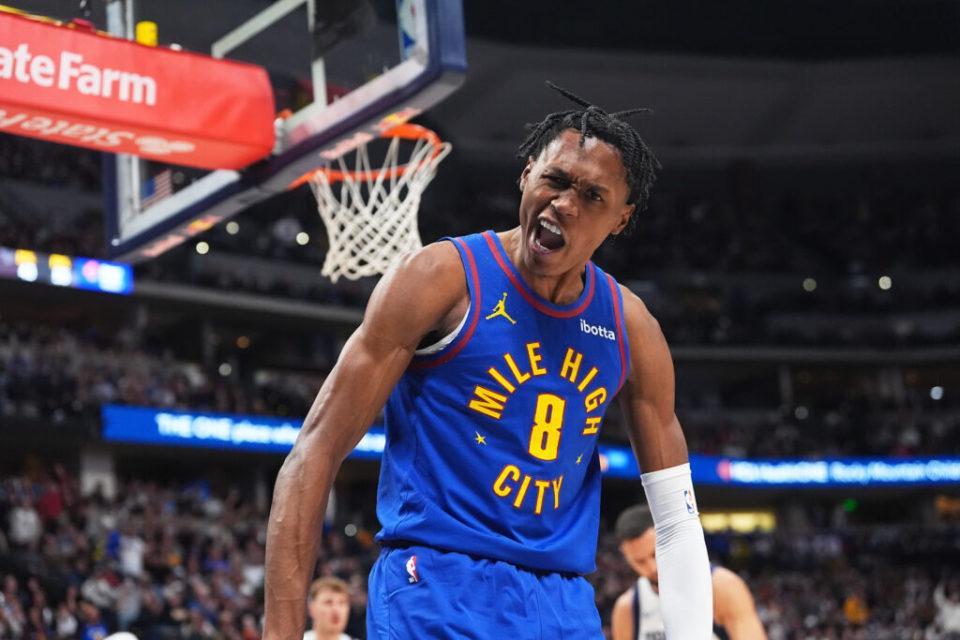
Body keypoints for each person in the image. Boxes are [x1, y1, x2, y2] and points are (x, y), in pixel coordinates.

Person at [264, 83, 712, 639]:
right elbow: (315, 451)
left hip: (563, 606)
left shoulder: (631, 327)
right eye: (555, 180)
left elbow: (675, 519)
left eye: (593, 196)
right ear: (526, 174)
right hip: (435, 587)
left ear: (622, 218)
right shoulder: (440, 279)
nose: (564, 204)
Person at [611, 505, 766, 640]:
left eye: (654, 554)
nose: (651, 567)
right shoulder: (627, 608)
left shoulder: (721, 587)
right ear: (625, 556)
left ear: (668, 540)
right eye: (639, 561)